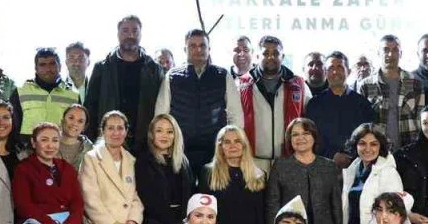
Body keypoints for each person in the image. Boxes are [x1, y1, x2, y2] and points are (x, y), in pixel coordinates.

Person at [155, 28, 244, 171]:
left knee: (212, 192)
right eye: (193, 46)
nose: (198, 50)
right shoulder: (172, 77)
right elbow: (161, 116)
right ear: (185, 49)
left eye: (202, 45)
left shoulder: (222, 75)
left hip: (215, 151)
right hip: (180, 151)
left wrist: (230, 146)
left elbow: (236, 115)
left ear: (209, 49)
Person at [13, 122, 86, 224]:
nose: (50, 145)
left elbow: (78, 203)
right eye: (44, 140)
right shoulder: (24, 169)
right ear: (33, 142)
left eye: (55, 140)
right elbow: (24, 205)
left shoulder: (67, 168)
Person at [265, 118, 343, 224]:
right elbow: (272, 203)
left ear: (314, 137)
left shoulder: (329, 166)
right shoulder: (281, 166)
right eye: (295, 135)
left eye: (306, 133)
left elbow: (336, 204)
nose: (300, 138)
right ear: (290, 139)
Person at [84, 15, 166, 151]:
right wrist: (92, 141)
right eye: (125, 30)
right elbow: (91, 106)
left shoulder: (154, 69)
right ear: (118, 34)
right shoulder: (103, 68)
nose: (130, 35)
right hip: (109, 141)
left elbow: (161, 107)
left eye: (135, 31)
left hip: (144, 143)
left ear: (141, 34)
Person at [198, 125, 267, 224]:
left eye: (237, 141)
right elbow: (203, 211)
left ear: (244, 145)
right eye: (227, 142)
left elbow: (263, 214)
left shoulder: (259, 175)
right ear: (220, 147)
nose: (233, 146)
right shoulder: (208, 173)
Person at [237, 35, 310, 173]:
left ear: (282, 57)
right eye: (266, 53)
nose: (271, 57)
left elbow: (309, 122)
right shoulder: (241, 85)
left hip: (289, 160)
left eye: (275, 53)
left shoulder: (299, 84)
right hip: (252, 161)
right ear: (257, 56)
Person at [340, 124, 403, 224]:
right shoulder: (353, 170)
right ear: (355, 145)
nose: (367, 149)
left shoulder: (388, 172)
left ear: (381, 147)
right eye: (362, 143)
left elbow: (395, 213)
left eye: (373, 144)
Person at [354, 35, 423, 152]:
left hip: (409, 150)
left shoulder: (414, 82)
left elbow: (421, 119)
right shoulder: (366, 85)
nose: (390, 54)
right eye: (386, 50)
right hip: (377, 152)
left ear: (400, 53)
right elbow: (361, 124)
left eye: (395, 50)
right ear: (378, 53)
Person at [305, 51, 376, 166]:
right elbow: (310, 138)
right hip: (323, 166)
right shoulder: (314, 104)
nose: (335, 72)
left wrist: (353, 157)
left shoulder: (362, 104)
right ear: (325, 72)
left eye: (340, 67)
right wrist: (333, 155)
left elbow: (370, 137)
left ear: (348, 71)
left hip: (357, 165)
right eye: (331, 68)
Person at [16, 47, 81, 138]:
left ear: (60, 66)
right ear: (36, 68)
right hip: (28, 149)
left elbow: (79, 126)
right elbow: (13, 124)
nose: (48, 69)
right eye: (42, 65)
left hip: (61, 148)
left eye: (52, 64)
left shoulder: (73, 95)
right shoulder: (21, 91)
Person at [58, 104, 94, 169]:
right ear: (62, 120)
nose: (75, 123)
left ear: (84, 127)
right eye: (71, 118)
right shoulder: (47, 144)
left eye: (80, 121)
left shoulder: (90, 150)